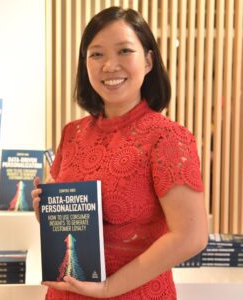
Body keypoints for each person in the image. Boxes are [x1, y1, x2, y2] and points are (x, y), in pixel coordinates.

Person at [31, 6, 208, 300]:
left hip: (134, 294)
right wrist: (46, 212)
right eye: (97, 54)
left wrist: (108, 288)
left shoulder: (168, 138)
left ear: (149, 60)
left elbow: (191, 236)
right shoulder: (72, 134)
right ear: (84, 63)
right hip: (66, 292)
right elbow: (73, 222)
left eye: (124, 51)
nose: (110, 65)